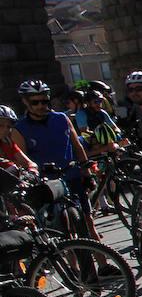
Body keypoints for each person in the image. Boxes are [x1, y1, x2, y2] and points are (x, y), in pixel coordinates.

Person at [12, 79, 100, 241]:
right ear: (25, 101)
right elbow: (22, 160)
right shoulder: (20, 129)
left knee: (89, 224)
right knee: (63, 234)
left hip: (72, 176)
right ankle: (72, 266)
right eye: (35, 102)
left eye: (44, 100)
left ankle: (103, 266)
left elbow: (77, 147)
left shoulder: (61, 119)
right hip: (46, 185)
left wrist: (87, 173)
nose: (40, 105)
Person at [73, 88, 123, 156]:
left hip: (103, 139)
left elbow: (114, 127)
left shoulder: (102, 112)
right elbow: (84, 132)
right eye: (96, 102)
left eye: (100, 101)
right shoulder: (81, 114)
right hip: (89, 141)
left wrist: (117, 133)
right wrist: (100, 136)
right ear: (88, 103)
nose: (99, 104)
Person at [0, 105, 37, 174]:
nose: (5, 129)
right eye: (1, 125)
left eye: (8, 126)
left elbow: (29, 163)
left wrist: (32, 170)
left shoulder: (8, 142)